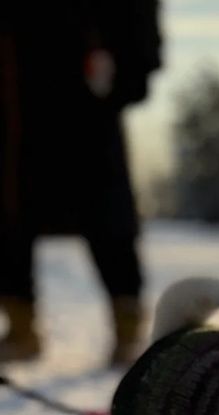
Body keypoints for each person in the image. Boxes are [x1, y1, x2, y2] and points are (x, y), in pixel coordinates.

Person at [0, 2, 161, 365]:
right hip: (15, 81)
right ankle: (20, 325)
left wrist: (131, 66)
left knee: (105, 206)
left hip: (88, 82)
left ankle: (126, 323)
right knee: (9, 204)